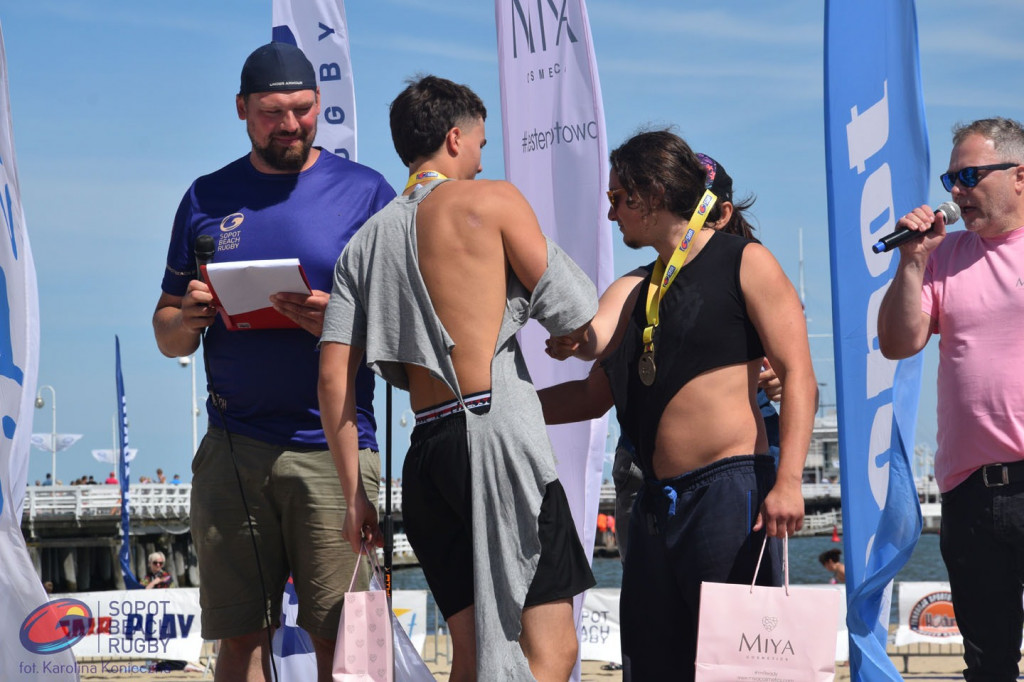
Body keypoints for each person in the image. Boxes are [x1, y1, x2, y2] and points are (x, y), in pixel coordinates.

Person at [319, 75, 598, 682]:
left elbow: (332, 379)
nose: (481, 157)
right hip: (492, 435)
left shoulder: (361, 246)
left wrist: (354, 496)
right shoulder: (489, 201)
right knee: (551, 652)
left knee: (470, 656)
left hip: (427, 454)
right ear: (453, 138)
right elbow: (575, 308)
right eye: (478, 143)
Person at [152, 42, 395, 682]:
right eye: (271, 112)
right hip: (235, 447)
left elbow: (410, 330)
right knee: (240, 640)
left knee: (350, 645)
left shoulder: (367, 193)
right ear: (241, 110)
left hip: (334, 445)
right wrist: (190, 319)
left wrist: (343, 325)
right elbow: (167, 332)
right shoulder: (207, 195)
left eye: (303, 109)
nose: (290, 125)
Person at [539, 130, 817, 680]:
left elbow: (798, 374)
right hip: (650, 500)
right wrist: (509, 399)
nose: (613, 214)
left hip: (727, 489)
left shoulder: (746, 261)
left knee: (735, 666)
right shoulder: (634, 285)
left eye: (619, 198)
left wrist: (788, 482)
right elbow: (595, 349)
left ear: (654, 192)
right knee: (652, 661)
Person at [877, 117, 1024, 681]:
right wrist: (912, 259)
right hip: (971, 495)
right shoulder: (944, 254)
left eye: (969, 175)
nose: (956, 191)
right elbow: (898, 342)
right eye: (951, 178)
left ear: (1018, 177)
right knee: (987, 663)